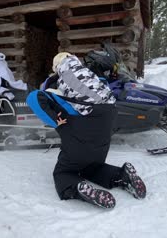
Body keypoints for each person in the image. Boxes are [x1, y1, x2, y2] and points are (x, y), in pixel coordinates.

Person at [27, 52, 147, 209]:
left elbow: (34, 98)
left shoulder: (62, 79)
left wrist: (57, 121)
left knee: (63, 173)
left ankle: (76, 188)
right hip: (105, 127)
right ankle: (122, 176)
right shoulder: (91, 76)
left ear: (57, 67)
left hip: (81, 131)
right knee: (92, 167)